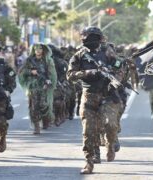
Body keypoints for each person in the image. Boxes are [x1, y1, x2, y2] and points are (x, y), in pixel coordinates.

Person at [67, 26, 118, 174]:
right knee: (89, 131)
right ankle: (89, 162)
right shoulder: (79, 55)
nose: (86, 40)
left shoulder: (108, 52)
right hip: (89, 95)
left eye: (90, 37)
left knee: (111, 125)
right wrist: (88, 72)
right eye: (85, 37)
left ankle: (110, 144)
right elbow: (70, 75)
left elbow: (120, 67)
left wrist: (114, 78)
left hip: (107, 95)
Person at [18, 43, 57, 134]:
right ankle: (36, 127)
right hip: (33, 86)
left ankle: (45, 120)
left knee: (45, 105)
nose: (38, 51)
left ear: (43, 50)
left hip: (44, 86)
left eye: (40, 49)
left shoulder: (48, 61)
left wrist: (49, 82)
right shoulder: (29, 61)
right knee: (34, 107)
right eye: (36, 49)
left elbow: (52, 74)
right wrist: (31, 71)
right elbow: (22, 72)